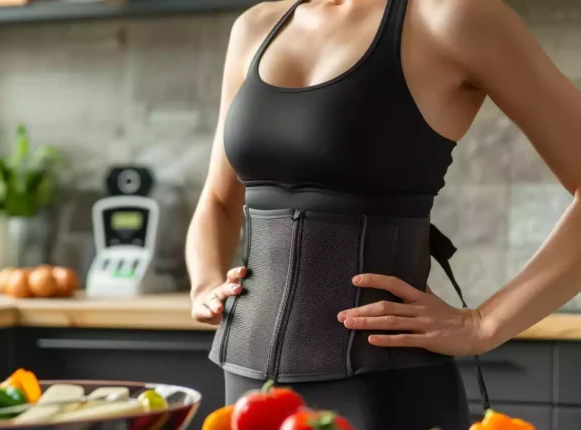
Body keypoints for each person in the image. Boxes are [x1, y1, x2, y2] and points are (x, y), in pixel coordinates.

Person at [185, 0, 581, 428]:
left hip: (382, 386)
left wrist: (484, 324)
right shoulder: (256, 26)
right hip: (248, 384)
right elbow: (220, 199)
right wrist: (204, 282)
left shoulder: (454, 17)